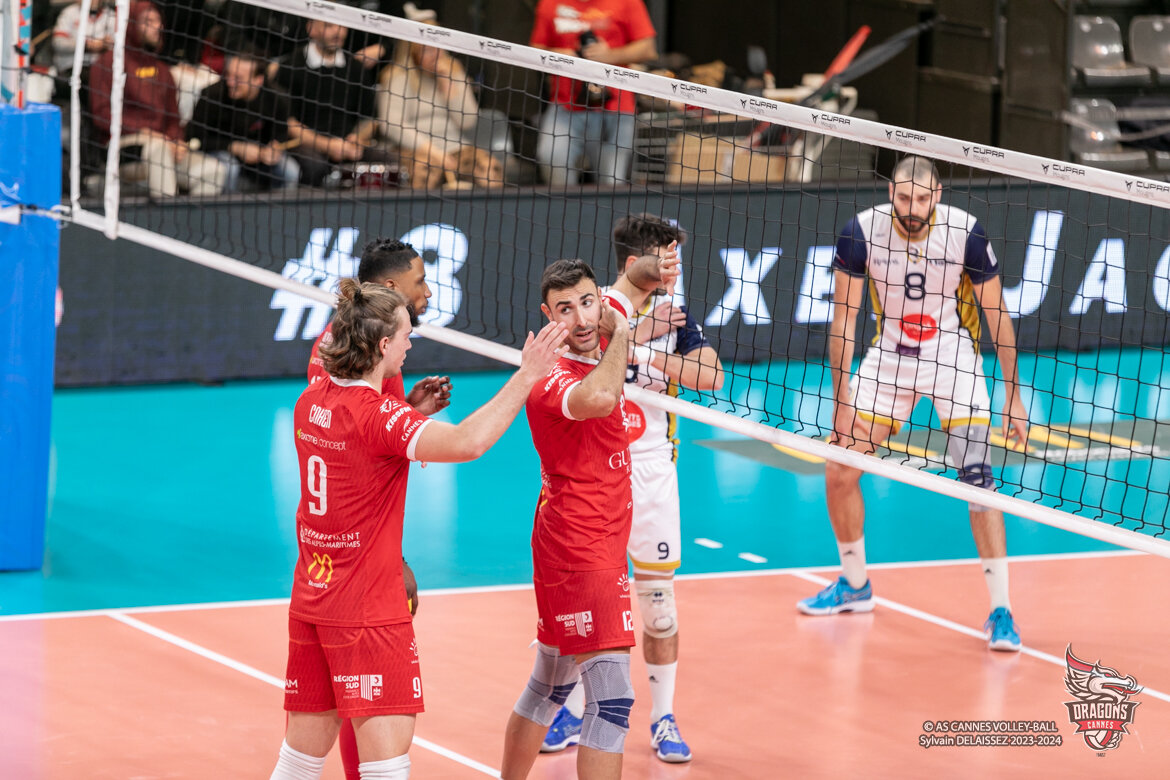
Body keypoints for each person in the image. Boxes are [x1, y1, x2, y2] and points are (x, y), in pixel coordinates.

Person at [270, 279, 568, 780]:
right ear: (384, 344)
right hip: (368, 612)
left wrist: (408, 411)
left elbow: (362, 445)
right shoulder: (379, 417)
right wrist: (528, 375)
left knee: (297, 763)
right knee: (387, 768)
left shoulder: (311, 398)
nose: (411, 344)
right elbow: (468, 442)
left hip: (313, 602)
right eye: (407, 335)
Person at [797, 155, 1028, 652]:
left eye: (922, 199)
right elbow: (844, 319)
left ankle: (1002, 610)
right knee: (839, 469)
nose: (912, 208)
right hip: (889, 358)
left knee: (978, 481)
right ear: (891, 193)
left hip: (953, 358)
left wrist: (1013, 396)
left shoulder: (965, 233)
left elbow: (997, 316)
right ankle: (854, 585)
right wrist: (840, 400)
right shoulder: (862, 232)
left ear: (937, 195)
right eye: (903, 197)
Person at [539, 214, 723, 763]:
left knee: (659, 609)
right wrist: (635, 333)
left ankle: (663, 718)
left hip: (653, 469)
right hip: (594, 472)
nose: (675, 268)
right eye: (667, 258)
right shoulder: (591, 311)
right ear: (633, 264)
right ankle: (570, 708)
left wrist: (642, 350)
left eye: (676, 258)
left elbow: (712, 376)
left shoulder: (677, 315)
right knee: (587, 602)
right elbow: (581, 359)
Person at [499, 253, 678, 780]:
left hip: (575, 540)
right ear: (547, 315)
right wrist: (620, 331)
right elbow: (600, 397)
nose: (579, 319)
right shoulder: (551, 376)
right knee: (613, 701)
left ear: (599, 298)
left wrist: (657, 265)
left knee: (550, 684)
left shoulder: (596, 325)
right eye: (564, 309)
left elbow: (633, 280)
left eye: (586, 303)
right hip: (582, 549)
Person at [305, 237, 450, 780]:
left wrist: (409, 410)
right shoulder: (367, 356)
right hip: (355, 568)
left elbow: (368, 441)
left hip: (338, 557)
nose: (428, 291)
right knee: (363, 694)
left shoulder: (349, 347)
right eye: (419, 281)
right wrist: (395, 560)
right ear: (390, 289)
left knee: (346, 702)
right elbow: (357, 460)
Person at [88, 1, 224, 198]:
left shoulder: (162, 70)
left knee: (213, 171)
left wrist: (177, 141)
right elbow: (102, 115)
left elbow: (173, 118)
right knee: (158, 151)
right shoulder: (107, 64)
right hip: (123, 148)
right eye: (148, 21)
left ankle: (187, 218)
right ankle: (167, 214)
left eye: (158, 21)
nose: (157, 26)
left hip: (164, 145)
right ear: (132, 24)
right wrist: (144, 132)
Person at [529, 0, 658, 186]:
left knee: (611, 182)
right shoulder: (549, 3)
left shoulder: (628, 2)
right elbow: (534, 50)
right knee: (552, 160)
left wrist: (608, 56)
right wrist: (563, 56)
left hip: (616, 108)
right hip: (566, 106)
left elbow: (648, 48)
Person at [376, 10, 491, 190]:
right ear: (413, 51)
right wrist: (433, 152)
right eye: (427, 50)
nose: (435, 54)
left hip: (455, 148)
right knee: (425, 170)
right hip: (413, 149)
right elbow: (392, 125)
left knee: (488, 167)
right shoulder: (398, 76)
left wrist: (447, 84)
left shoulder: (454, 70)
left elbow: (468, 121)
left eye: (438, 47)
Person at [274, 19, 387, 187]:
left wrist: (356, 139)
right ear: (311, 28)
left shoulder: (356, 67)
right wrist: (327, 145)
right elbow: (287, 122)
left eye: (342, 25)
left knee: (389, 162)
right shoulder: (290, 66)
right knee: (314, 165)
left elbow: (370, 118)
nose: (338, 32)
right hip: (305, 143)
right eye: (329, 26)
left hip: (348, 144)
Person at [186, 47, 300, 193]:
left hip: (259, 157)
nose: (230, 83)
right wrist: (235, 147)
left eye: (238, 78)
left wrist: (274, 148)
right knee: (230, 168)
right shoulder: (212, 94)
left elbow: (281, 134)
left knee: (290, 171)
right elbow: (194, 137)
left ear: (258, 80)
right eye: (228, 75)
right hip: (220, 151)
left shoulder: (277, 99)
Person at [52, 0, 116, 77]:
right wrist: (86, 45)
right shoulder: (69, 13)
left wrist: (106, 45)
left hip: (101, 68)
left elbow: (117, 46)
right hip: (70, 66)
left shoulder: (111, 15)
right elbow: (58, 44)